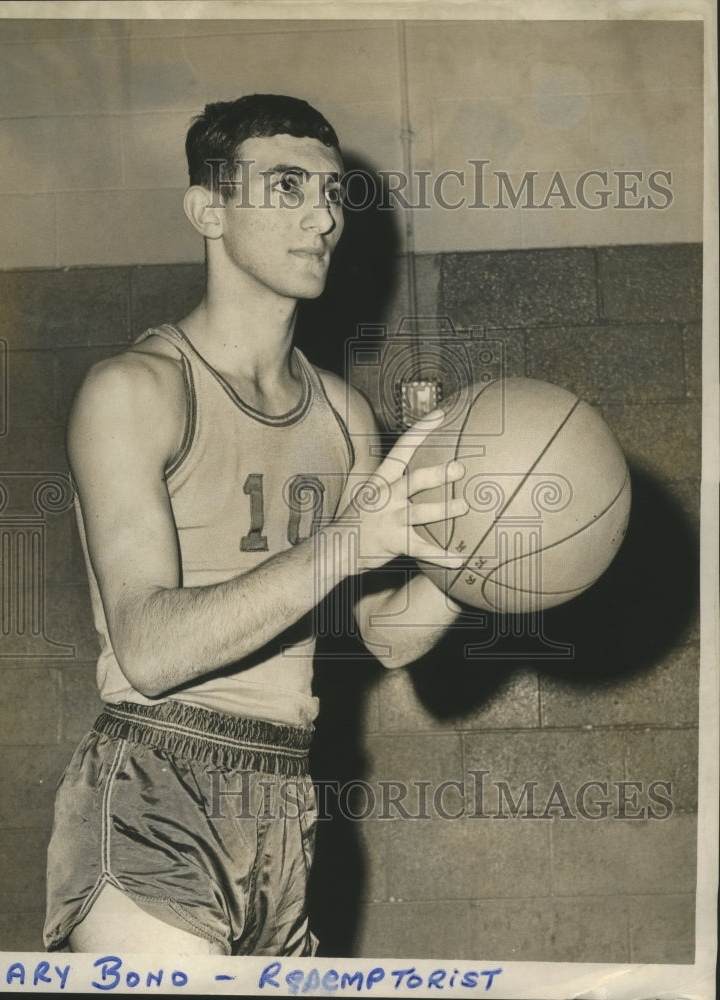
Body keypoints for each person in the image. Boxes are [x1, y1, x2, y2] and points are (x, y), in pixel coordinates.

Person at [43, 93, 467, 957]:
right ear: (208, 209)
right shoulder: (134, 391)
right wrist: (351, 540)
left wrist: (486, 558)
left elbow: (384, 639)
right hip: (159, 779)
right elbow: (150, 651)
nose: (321, 214)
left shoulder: (344, 418)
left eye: (332, 193)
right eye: (285, 186)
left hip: (286, 796)